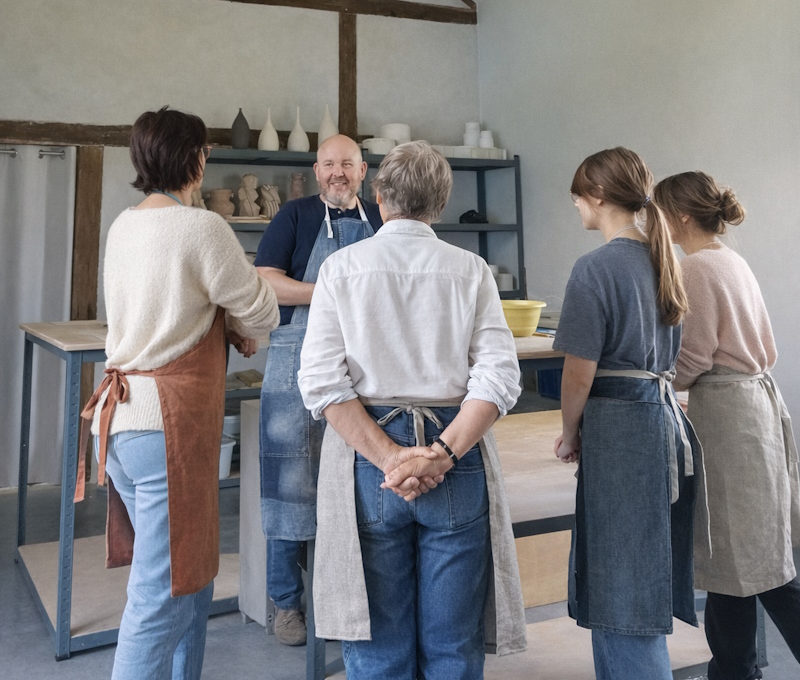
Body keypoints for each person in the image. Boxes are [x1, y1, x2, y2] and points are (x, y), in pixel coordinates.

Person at [298, 140, 526, 679]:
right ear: (440, 205)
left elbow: (321, 382)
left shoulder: (341, 268)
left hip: (367, 459)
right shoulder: (470, 270)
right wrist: (439, 455)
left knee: (378, 648)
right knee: (452, 646)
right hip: (454, 452)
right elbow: (499, 377)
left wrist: (389, 459)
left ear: (377, 197)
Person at [75, 106, 280, 680]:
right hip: (166, 425)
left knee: (191, 575)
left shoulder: (123, 225)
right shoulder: (201, 228)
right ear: (196, 159)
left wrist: (225, 318)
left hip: (118, 424)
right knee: (162, 589)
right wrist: (245, 327)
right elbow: (259, 304)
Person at [552, 146, 701, 680]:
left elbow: (577, 373)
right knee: (640, 568)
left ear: (596, 197)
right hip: (659, 420)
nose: (576, 206)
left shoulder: (595, 268)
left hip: (618, 429)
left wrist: (569, 431)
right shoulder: (666, 259)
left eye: (577, 196)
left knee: (619, 577)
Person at [653, 171, 800, 680]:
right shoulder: (730, 260)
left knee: (746, 560)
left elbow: (692, 357)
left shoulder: (695, 268)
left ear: (682, 215)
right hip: (750, 408)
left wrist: (657, 381)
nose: (655, 220)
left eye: (660, 210)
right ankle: (733, 670)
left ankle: (734, 670)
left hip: (728, 418)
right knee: (738, 561)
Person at [254, 134, 382, 645]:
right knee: (290, 483)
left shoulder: (381, 216)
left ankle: (349, 599)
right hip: (296, 361)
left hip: (365, 364)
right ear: (315, 169)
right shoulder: (295, 215)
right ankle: (287, 604)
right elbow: (266, 280)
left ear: (363, 169)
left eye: (347, 164)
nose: (338, 173)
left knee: (359, 483)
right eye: (329, 164)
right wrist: (332, 292)